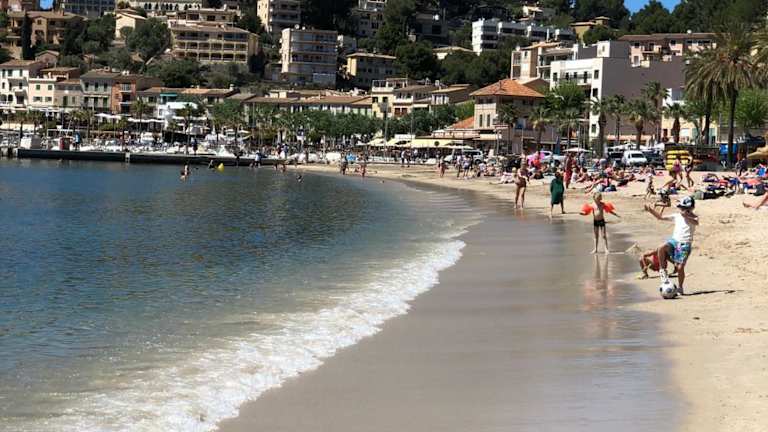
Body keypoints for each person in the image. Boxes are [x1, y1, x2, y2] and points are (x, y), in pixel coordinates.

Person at [644, 196, 699, 295]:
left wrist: (686, 216)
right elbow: (660, 217)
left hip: (684, 244)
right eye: (682, 208)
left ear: (691, 208)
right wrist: (651, 211)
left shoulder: (694, 217)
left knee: (679, 267)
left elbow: (695, 222)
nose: (683, 210)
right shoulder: (676, 216)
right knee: (661, 248)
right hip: (674, 241)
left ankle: (680, 287)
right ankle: (663, 272)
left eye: (686, 209)